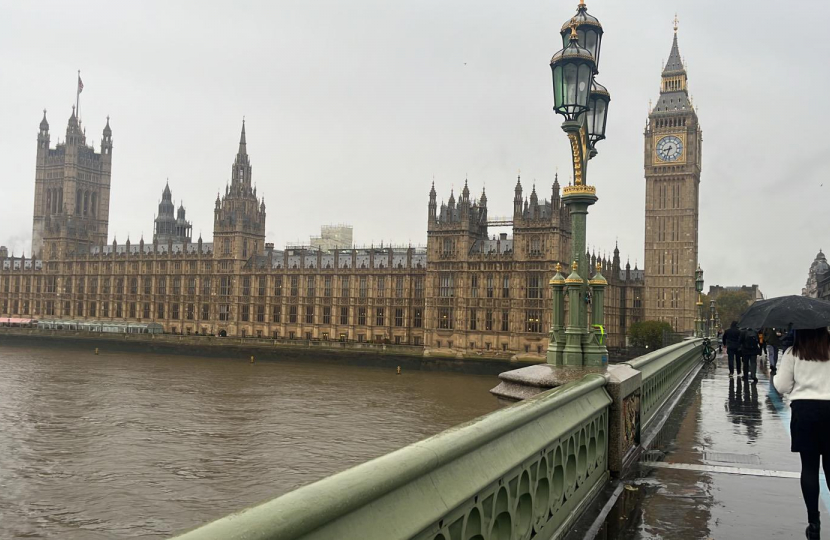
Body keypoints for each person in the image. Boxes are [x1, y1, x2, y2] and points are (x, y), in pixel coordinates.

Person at [774, 327, 830, 540]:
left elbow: (781, 387)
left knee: (809, 468)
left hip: (805, 411)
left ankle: (813, 523)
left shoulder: (793, 352)